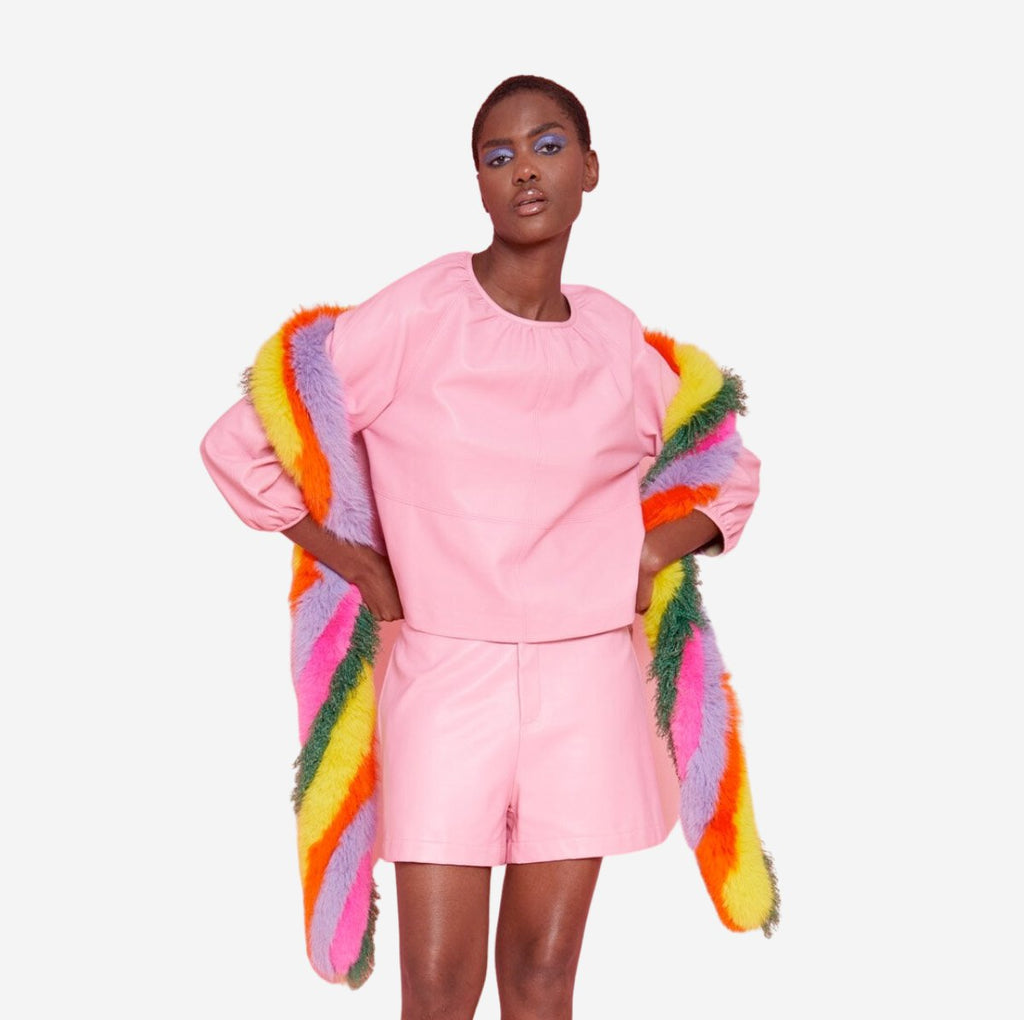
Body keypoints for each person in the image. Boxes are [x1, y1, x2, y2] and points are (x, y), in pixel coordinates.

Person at [201, 75, 766, 1019]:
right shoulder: (420, 312)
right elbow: (242, 444)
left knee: (544, 980)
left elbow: (727, 465)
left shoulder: (612, 335)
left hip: (587, 681)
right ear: (478, 185)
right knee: (438, 988)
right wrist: (353, 560)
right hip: (442, 674)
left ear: (591, 169)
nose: (525, 172)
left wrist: (648, 553)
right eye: (498, 157)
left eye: (548, 147)